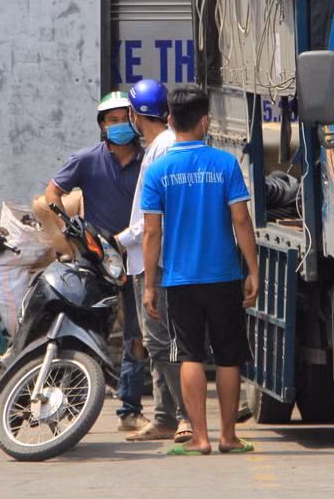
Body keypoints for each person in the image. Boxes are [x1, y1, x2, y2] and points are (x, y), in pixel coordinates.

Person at [142, 85, 260, 456]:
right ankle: (228, 436)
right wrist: (253, 270)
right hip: (224, 276)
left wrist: (149, 285)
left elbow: (150, 233)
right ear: (205, 121)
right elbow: (241, 221)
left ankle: (200, 438)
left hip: (180, 280)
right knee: (228, 355)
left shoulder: (158, 169)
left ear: (170, 121)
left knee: (189, 355)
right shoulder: (225, 164)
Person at [32, 91, 149, 433]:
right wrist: (68, 227)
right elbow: (52, 192)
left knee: (136, 335)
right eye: (112, 120)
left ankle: (129, 410)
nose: (120, 125)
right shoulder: (85, 159)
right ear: (102, 126)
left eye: (125, 118)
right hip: (94, 256)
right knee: (78, 325)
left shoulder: (149, 161)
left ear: (136, 120)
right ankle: (62, 396)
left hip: (135, 255)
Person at [116, 79, 192, 444]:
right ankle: (164, 417)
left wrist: (122, 239)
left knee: (161, 343)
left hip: (153, 259)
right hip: (145, 256)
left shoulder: (161, 148)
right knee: (155, 342)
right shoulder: (156, 146)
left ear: (134, 114)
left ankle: (187, 417)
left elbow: (152, 219)